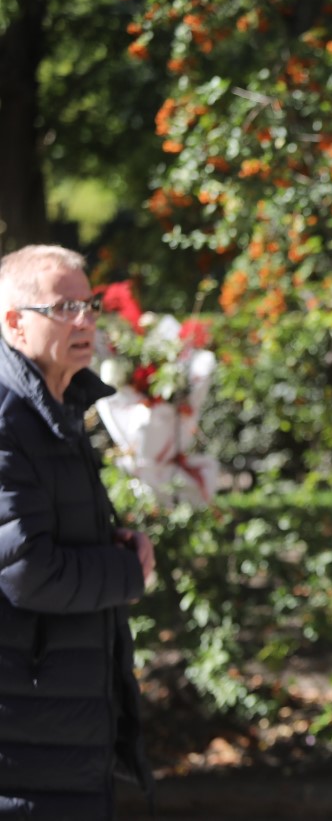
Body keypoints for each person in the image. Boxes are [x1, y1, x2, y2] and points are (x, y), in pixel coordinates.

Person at [0, 245, 156, 819]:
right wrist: (126, 571)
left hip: (64, 732)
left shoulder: (56, 406)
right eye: (64, 307)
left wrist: (112, 544)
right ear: (15, 322)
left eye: (89, 304)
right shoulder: (6, 415)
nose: (86, 319)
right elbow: (26, 571)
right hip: (25, 743)